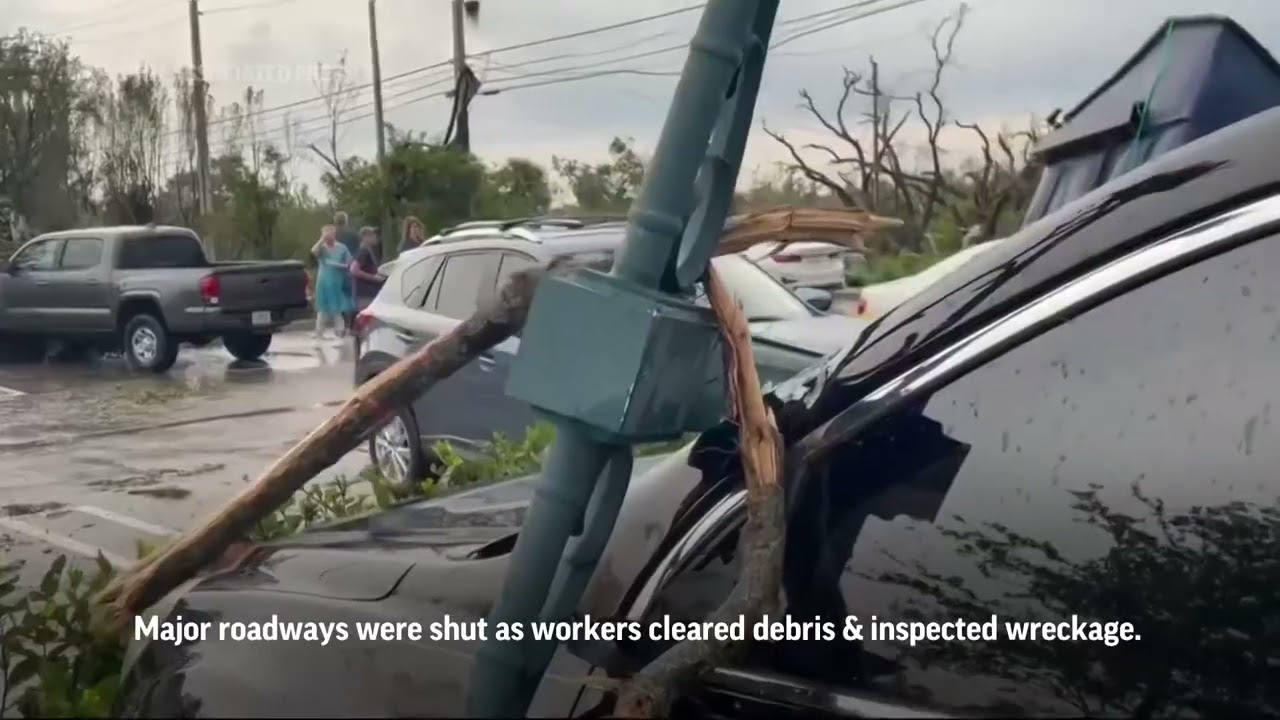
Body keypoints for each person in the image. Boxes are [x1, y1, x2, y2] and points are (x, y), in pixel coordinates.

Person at [310, 224, 355, 341]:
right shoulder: (322, 247)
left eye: (331, 233)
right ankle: (319, 332)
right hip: (324, 282)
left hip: (337, 280)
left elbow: (350, 261)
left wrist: (344, 266)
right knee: (322, 308)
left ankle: (339, 331)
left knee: (337, 307)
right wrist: (321, 239)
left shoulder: (342, 247)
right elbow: (313, 251)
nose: (329, 236)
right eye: (326, 234)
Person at [349, 225, 386, 314]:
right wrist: (373, 277)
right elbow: (354, 270)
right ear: (364, 237)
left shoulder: (368, 250)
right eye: (371, 235)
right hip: (365, 294)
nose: (375, 237)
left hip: (370, 293)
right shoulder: (363, 252)